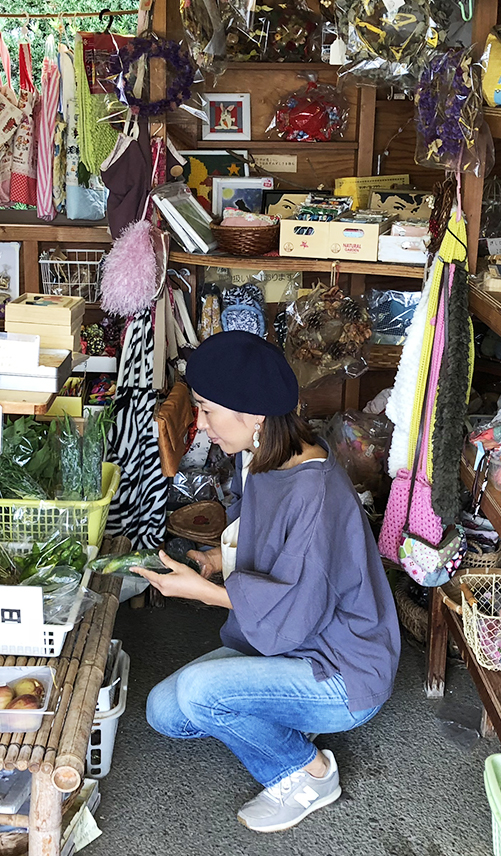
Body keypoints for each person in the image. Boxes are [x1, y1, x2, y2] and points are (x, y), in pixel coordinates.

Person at [134, 331, 401, 833]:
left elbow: (295, 610)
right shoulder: (265, 455)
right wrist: (217, 559)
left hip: (341, 670)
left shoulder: (313, 491)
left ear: (253, 414)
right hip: (288, 643)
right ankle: (272, 709)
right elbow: (269, 546)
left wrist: (205, 592)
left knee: (198, 694)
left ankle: (307, 772)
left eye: (208, 410)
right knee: (165, 711)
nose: (203, 425)